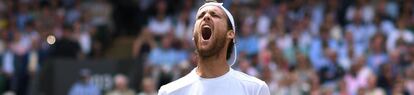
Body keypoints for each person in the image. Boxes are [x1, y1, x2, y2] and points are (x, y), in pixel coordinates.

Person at [157, 1, 270, 95]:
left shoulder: (255, 89)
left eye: (214, 15)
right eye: (201, 16)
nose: (206, 17)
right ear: (193, 34)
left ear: (230, 34)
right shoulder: (169, 92)